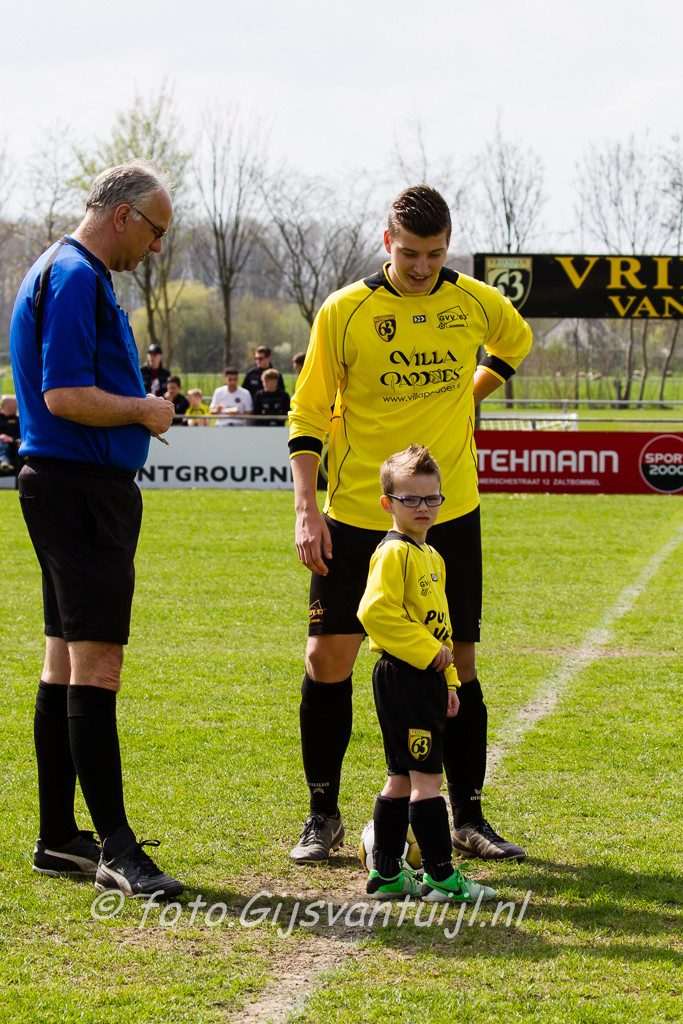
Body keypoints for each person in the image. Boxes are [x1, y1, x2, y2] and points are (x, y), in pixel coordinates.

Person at [288, 184, 532, 865]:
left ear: (447, 247)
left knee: (456, 663)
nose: (422, 267)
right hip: (355, 516)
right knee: (326, 659)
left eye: (435, 253)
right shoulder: (345, 311)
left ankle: (468, 818)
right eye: (409, 253)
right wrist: (306, 509)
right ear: (386, 242)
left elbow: (514, 342)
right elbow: (307, 414)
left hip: (446, 514)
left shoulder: (474, 301)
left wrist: (467, 396)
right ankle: (322, 815)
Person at [9, 158, 183, 898]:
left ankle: (58, 836)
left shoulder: (61, 268)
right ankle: (116, 845)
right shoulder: (77, 275)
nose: (156, 246)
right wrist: (146, 409)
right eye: (155, 231)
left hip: (66, 487)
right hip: (81, 491)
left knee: (62, 661)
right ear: (123, 216)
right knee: (96, 667)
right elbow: (65, 395)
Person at [358, 445, 496, 904]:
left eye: (431, 498)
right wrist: (427, 654)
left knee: (401, 778)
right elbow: (375, 613)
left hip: (426, 678)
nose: (423, 507)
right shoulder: (393, 553)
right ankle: (441, 877)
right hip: (405, 676)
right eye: (410, 499)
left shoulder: (431, 555)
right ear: (388, 503)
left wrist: (451, 681)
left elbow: (441, 627)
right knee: (427, 782)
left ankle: (386, 876)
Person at [0, 394, 21, 471]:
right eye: (15, 404)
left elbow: (24, 437)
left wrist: (11, 439)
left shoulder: (18, 420)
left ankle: (4, 462)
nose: (17, 407)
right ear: (8, 406)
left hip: (13, 447)